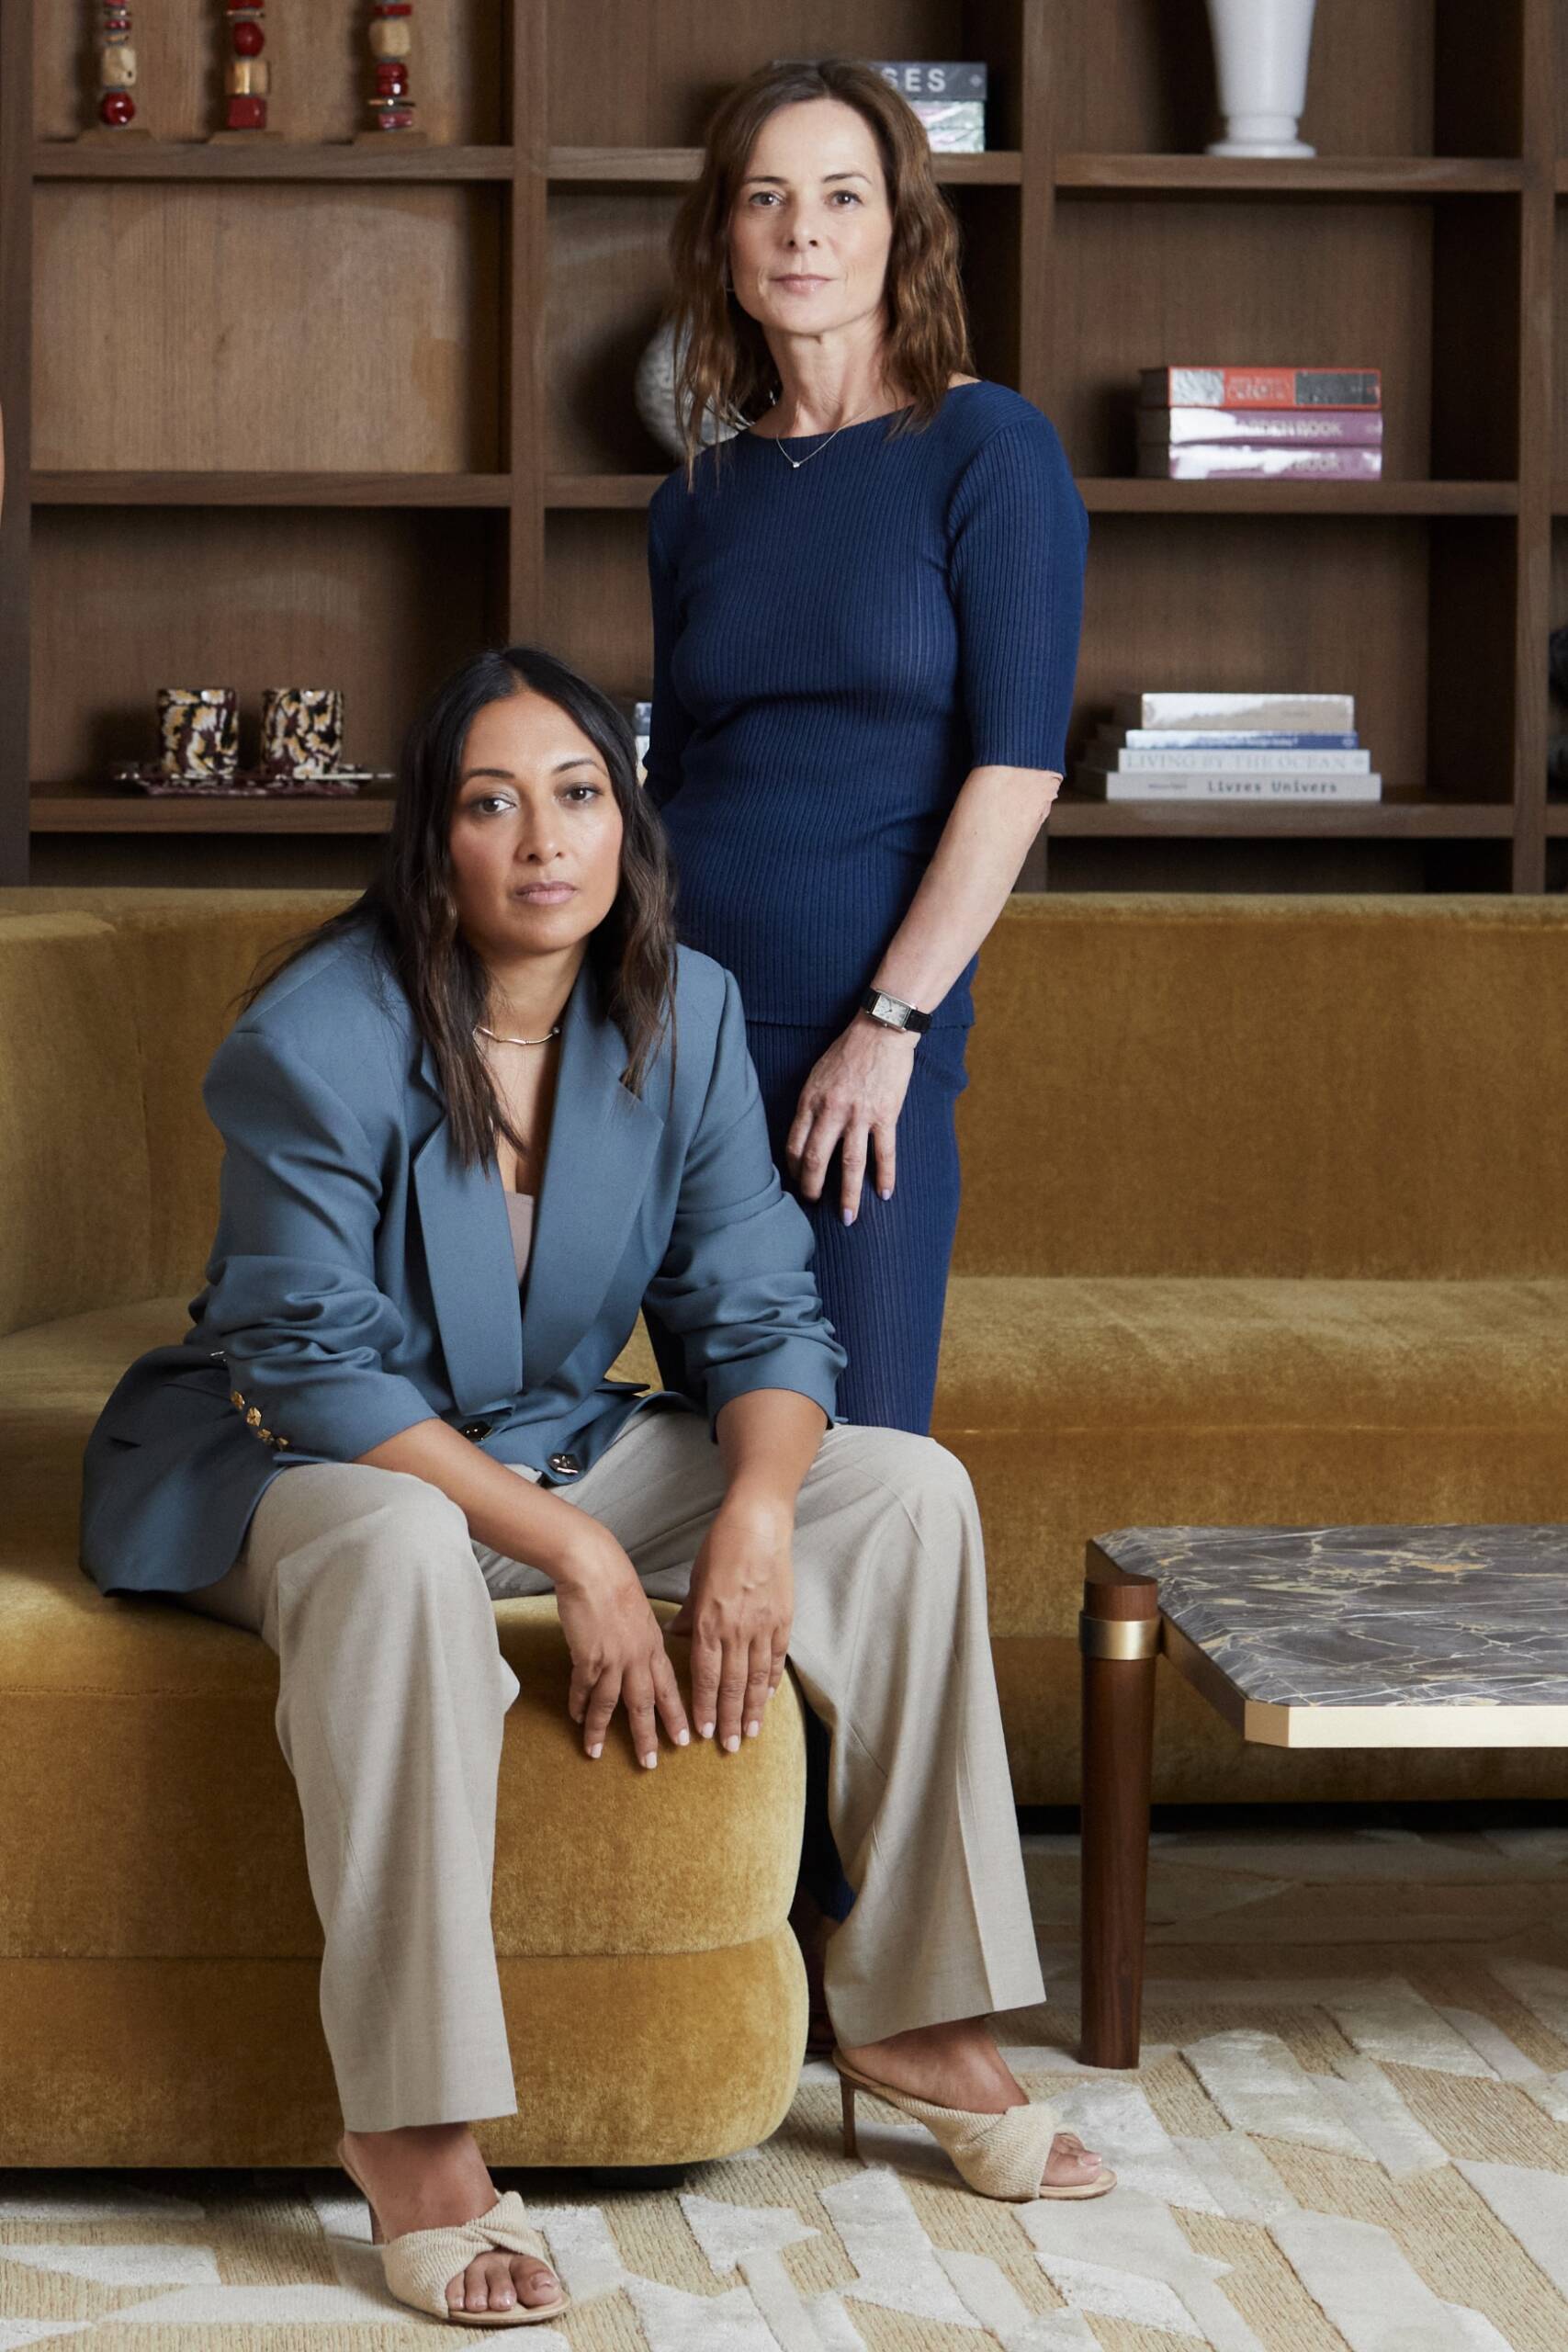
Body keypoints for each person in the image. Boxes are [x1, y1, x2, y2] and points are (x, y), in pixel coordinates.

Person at [79, 646, 1113, 2331]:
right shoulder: (313, 1033)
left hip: (550, 1434)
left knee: (903, 1491)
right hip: (298, 1459)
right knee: (414, 1540)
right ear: (436, 847)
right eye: (493, 803)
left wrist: (759, 1519)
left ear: (623, 826)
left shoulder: (683, 1010)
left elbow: (760, 1306)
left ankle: (916, 2021)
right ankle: (413, 2135)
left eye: (577, 796)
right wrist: (579, 1549)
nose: (543, 840)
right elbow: (314, 1362)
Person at [645, 55, 1088, 1441]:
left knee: (862, 1466)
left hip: (866, 1045)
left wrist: (889, 1026)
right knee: (725, 1474)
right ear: (723, 233)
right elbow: (675, 780)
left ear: (902, 228)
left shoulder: (988, 449)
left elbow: (1016, 769)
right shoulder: (696, 498)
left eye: (842, 195)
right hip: (671, 1039)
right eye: (766, 197)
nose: (802, 232)